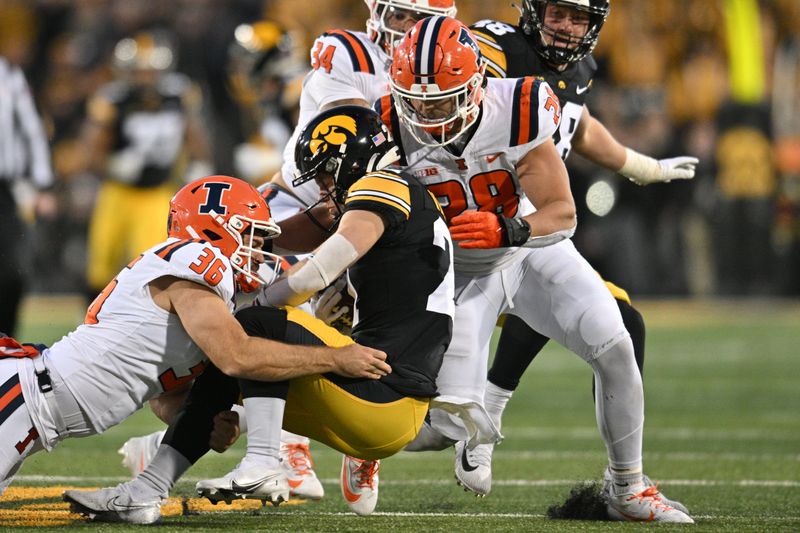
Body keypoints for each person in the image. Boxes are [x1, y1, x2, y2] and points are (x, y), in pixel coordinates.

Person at [62, 105, 454, 523]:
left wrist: (259, 304)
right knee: (227, 361)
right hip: (382, 400)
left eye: (325, 175)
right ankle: (144, 491)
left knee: (252, 331)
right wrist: (235, 231)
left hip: (384, 388)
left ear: (350, 160)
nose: (324, 189)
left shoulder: (385, 184)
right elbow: (298, 229)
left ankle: (266, 460)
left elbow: (317, 272)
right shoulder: (389, 200)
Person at [378, 16, 692, 522]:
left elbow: (562, 212)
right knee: (446, 422)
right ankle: (364, 450)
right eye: (416, 100)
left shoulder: (516, 109)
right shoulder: (387, 123)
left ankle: (627, 486)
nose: (428, 113)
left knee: (614, 342)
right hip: (455, 271)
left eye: (442, 99)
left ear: (477, 85)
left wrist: (511, 231)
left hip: (525, 249)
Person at [0, 174, 387, 507]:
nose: (260, 250)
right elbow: (239, 356)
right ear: (216, 228)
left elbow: (157, 393)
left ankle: (146, 491)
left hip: (36, 408)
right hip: (23, 397)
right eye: (250, 234)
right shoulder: (196, 260)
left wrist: (198, 418)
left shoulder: (196, 273)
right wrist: (336, 358)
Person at [467, 0, 696, 516]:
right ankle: (316, 448)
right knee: (420, 394)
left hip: (532, 232)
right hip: (474, 233)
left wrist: (643, 166)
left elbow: (580, 124)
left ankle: (625, 485)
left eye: (579, 18)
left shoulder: (579, 69)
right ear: (532, 11)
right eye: (557, 13)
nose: (567, 27)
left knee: (621, 326)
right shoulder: (497, 48)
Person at [82, 30, 213, 301]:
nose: (145, 77)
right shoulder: (114, 99)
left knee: (152, 264)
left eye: (150, 70)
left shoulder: (178, 95)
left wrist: (201, 164)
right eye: (139, 71)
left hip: (158, 192)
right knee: (101, 264)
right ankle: (90, 323)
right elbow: (91, 151)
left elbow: (195, 137)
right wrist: (113, 165)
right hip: (118, 191)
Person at [0, 55, 57, 336]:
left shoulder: (9, 75)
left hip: (5, 190)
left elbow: (32, 128)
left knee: (11, 273)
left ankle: (4, 342)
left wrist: (42, 185)